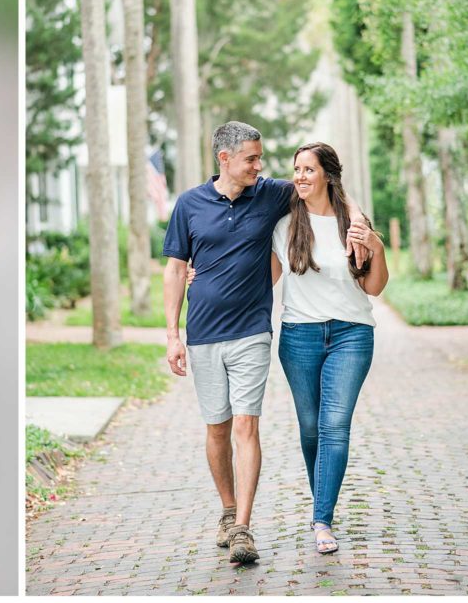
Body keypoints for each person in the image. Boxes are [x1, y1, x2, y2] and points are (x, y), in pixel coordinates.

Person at [162, 122, 368, 564]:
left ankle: (243, 528)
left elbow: (327, 186)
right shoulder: (190, 204)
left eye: (261, 157)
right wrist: (172, 334)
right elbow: (176, 268)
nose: (261, 165)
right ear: (225, 159)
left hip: (254, 331)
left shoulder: (271, 191)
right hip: (202, 333)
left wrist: (360, 220)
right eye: (252, 158)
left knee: (245, 426)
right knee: (216, 428)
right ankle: (227, 510)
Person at [270, 143, 388, 554]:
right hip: (299, 336)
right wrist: (205, 275)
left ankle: (322, 519)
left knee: (333, 426)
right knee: (309, 427)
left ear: (327, 175)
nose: (300, 176)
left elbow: (373, 287)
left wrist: (376, 246)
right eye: (296, 169)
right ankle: (323, 498)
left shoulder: (353, 226)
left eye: (308, 169)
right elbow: (261, 279)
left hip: (351, 335)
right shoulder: (284, 225)